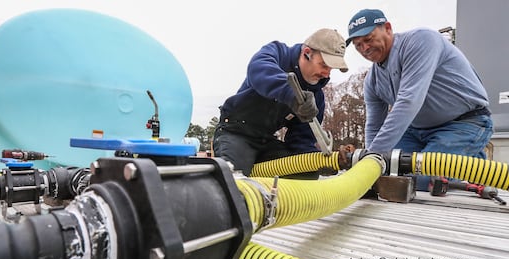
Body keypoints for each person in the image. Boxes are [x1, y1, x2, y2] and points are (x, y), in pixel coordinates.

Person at [346, 9, 494, 191]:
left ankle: (474, 166)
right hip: (415, 131)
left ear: (387, 28)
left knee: (420, 180)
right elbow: (374, 126)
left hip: (463, 124)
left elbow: (408, 102)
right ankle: (466, 160)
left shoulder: (421, 41)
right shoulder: (373, 81)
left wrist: (372, 157)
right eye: (358, 45)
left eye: (368, 39)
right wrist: (368, 163)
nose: (365, 49)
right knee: (388, 172)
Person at [212, 28, 349, 177]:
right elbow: (258, 70)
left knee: (304, 174)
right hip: (235, 133)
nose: (327, 73)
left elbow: (301, 141)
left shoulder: (316, 98)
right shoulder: (277, 53)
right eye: (323, 65)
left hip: (267, 141)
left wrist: (318, 162)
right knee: (233, 178)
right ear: (307, 53)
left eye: (331, 69)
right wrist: (293, 94)